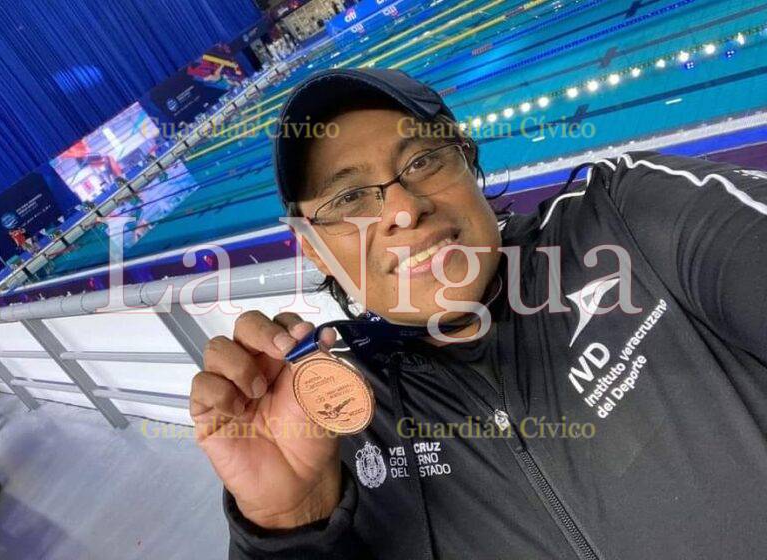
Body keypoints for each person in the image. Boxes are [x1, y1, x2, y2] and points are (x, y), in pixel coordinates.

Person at [190, 68, 767, 559]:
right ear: (313, 249)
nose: (402, 210)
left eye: (421, 161)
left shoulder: (627, 220)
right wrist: (290, 521)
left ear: (468, 160)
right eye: (348, 199)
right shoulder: (332, 422)